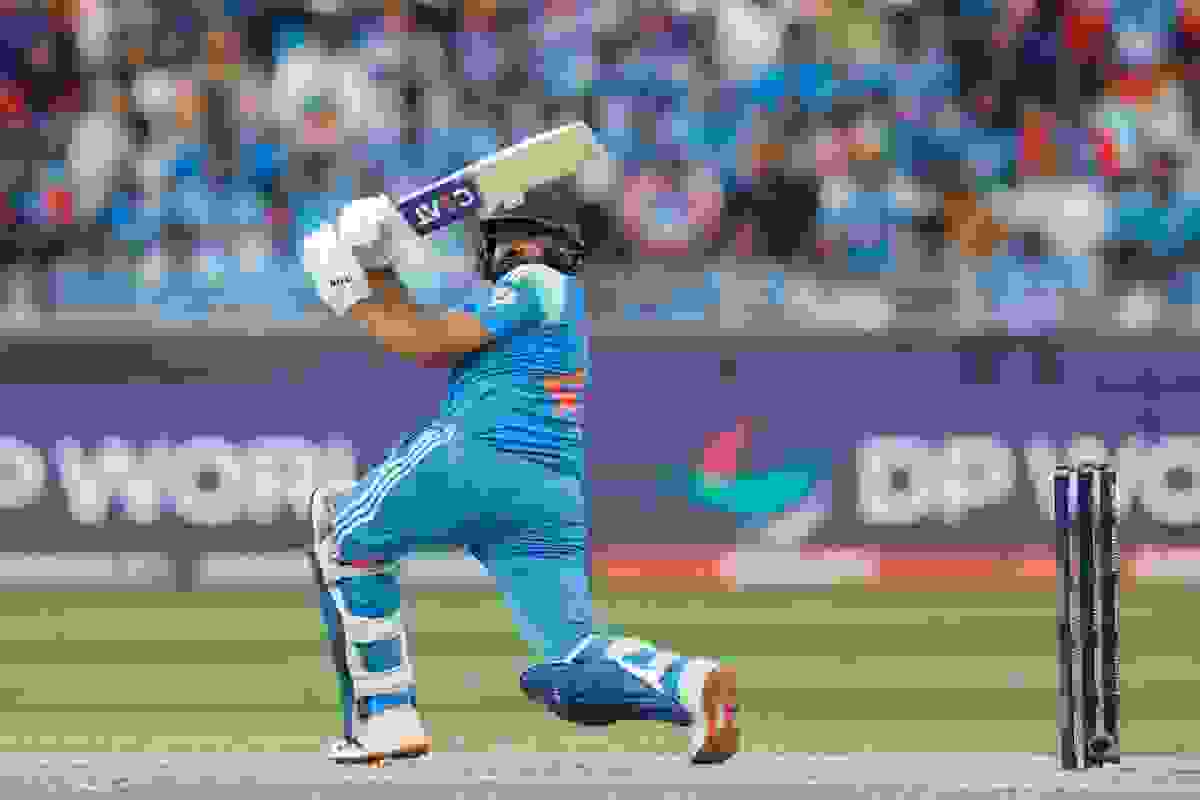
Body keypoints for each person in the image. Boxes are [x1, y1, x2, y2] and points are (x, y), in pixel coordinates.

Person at [301, 195, 738, 766]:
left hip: (474, 454)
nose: (489, 251)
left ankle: (387, 717)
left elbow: (424, 343)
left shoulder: (534, 280)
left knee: (340, 533)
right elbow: (424, 331)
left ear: (527, 243)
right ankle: (687, 681)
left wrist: (347, 289)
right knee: (573, 656)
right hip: (549, 492)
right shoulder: (555, 304)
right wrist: (378, 270)